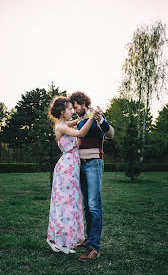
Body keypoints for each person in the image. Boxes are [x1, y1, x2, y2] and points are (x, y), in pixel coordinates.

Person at [46, 96, 98, 254]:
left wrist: (84, 116)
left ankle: (60, 239)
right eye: (69, 109)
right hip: (67, 168)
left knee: (68, 204)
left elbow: (76, 122)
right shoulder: (61, 127)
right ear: (62, 111)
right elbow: (81, 132)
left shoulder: (63, 124)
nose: (72, 111)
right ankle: (60, 241)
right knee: (65, 205)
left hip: (70, 167)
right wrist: (92, 117)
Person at [69, 91, 114, 262]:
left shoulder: (96, 115)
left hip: (94, 164)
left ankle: (94, 247)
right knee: (87, 206)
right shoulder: (81, 121)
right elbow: (78, 134)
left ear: (83, 103)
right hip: (81, 166)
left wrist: (101, 119)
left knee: (94, 205)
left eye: (76, 106)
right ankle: (89, 239)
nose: (74, 110)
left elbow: (111, 134)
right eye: (72, 108)